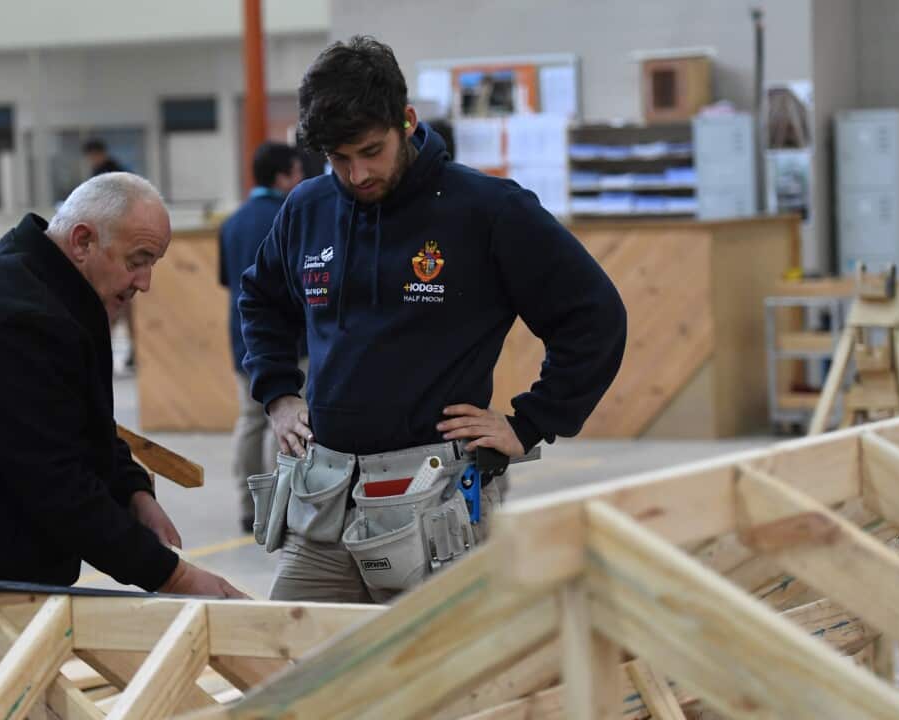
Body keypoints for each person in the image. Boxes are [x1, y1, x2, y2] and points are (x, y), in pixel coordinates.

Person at [239, 37, 627, 603]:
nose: (357, 173)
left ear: (407, 121)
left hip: (438, 502)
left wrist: (529, 423)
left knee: (451, 681)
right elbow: (261, 298)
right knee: (288, 671)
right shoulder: (307, 208)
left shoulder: (489, 210)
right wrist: (277, 393)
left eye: (371, 151)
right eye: (339, 159)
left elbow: (595, 318)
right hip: (324, 500)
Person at [0, 173, 245, 718]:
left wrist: (133, 492)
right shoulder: (19, 318)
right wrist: (171, 576)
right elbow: (56, 486)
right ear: (82, 241)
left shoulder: (58, 290)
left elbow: (87, 424)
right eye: (139, 259)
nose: (146, 282)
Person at [219, 142, 305, 534]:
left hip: (242, 338)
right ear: (283, 176)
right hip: (287, 341)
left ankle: (245, 505)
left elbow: (227, 281)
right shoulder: (291, 216)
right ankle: (276, 505)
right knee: (283, 417)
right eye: (297, 172)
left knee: (250, 419)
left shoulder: (232, 222)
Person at [82, 138, 137, 371]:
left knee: (116, 306)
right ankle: (120, 349)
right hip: (118, 245)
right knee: (119, 306)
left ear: (97, 153)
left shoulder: (107, 175)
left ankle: (110, 350)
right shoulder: (115, 172)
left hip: (115, 246)